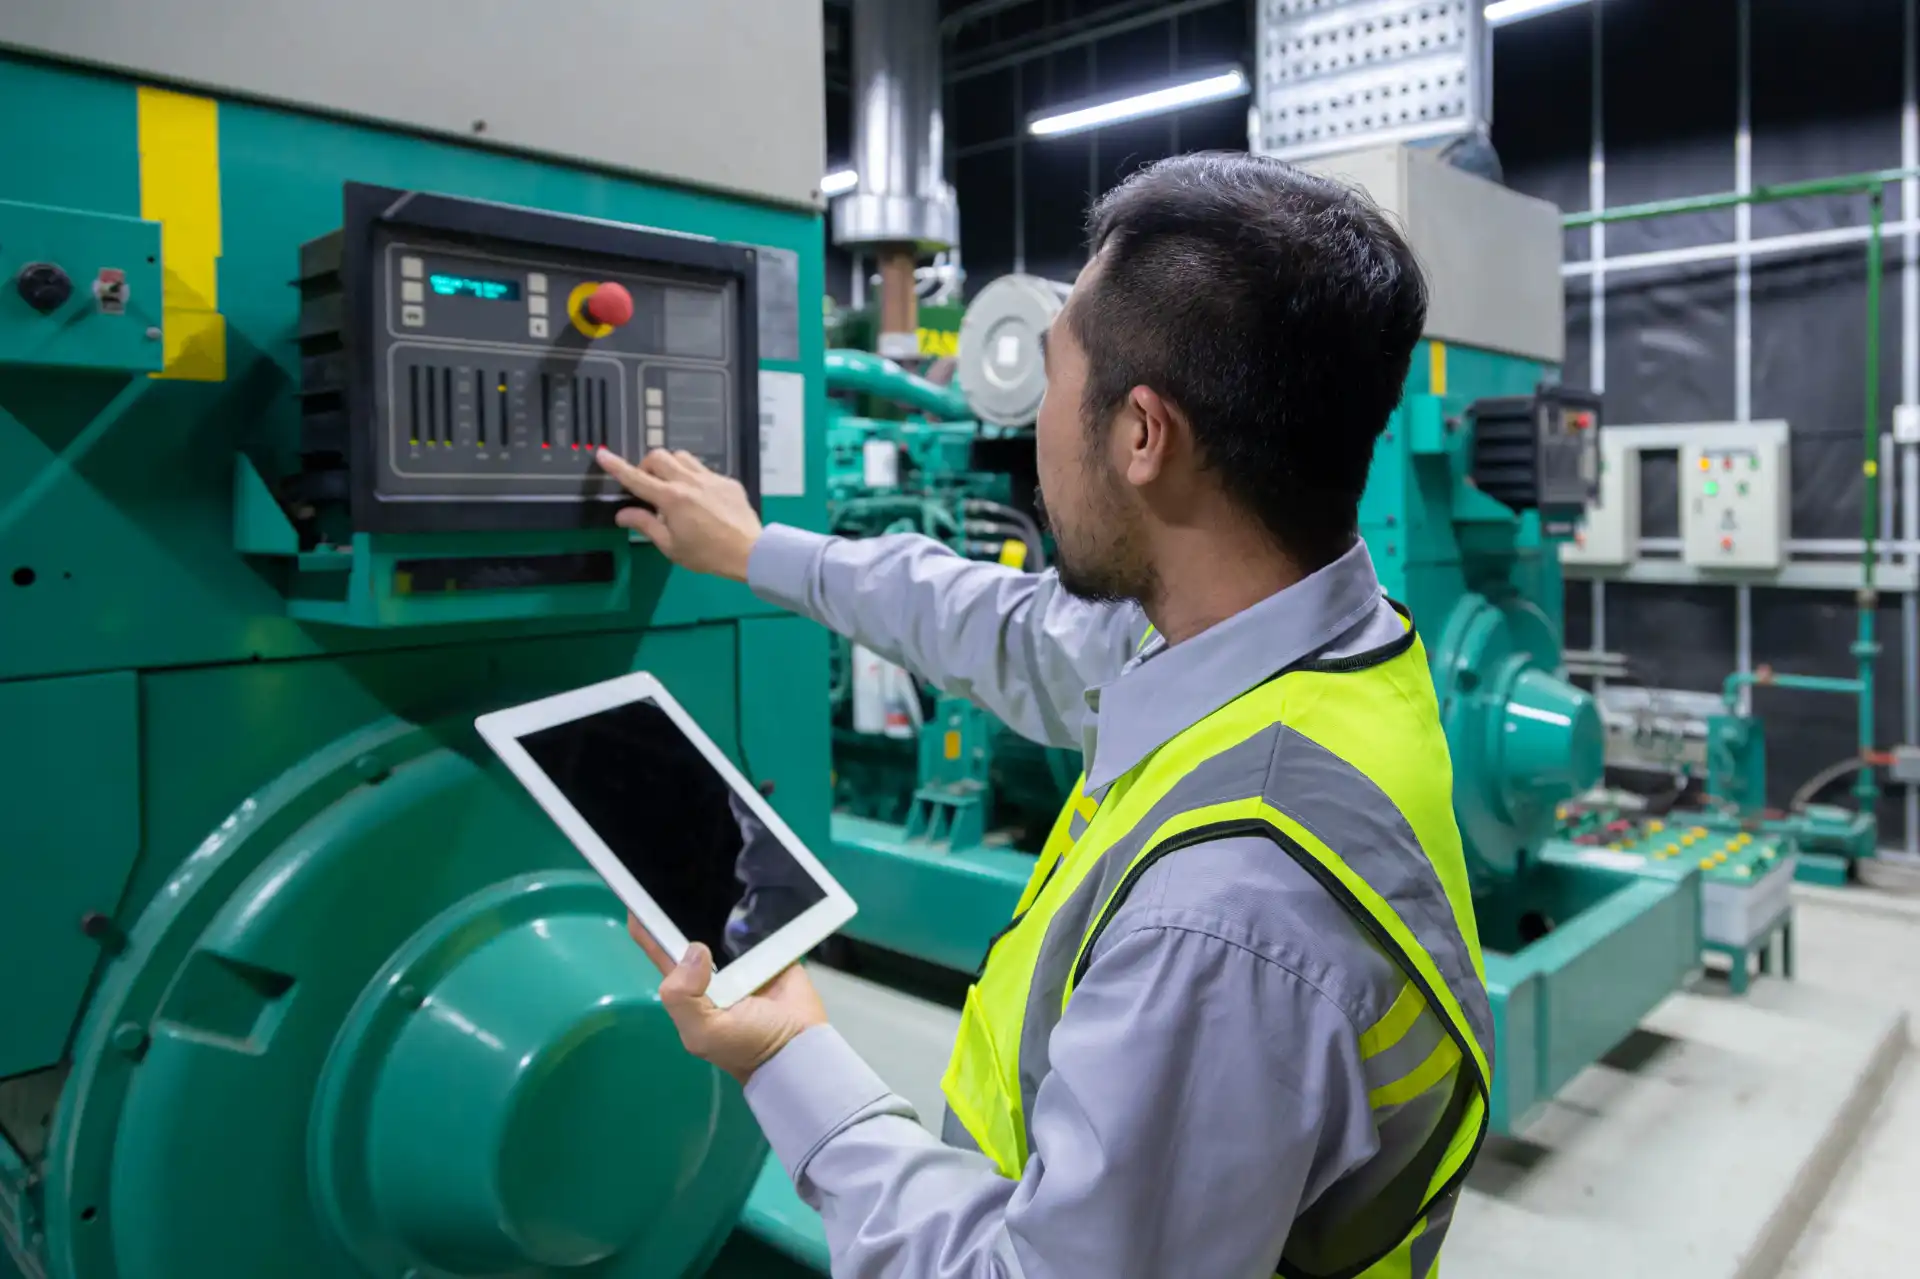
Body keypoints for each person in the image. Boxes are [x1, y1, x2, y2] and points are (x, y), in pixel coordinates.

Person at [601, 151, 1494, 1279]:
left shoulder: (1222, 922)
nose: (1034, 426)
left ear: (1141, 436)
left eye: (1055, 375)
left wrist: (790, 1054)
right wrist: (758, 551)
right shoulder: (1309, 647)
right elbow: (1009, 628)